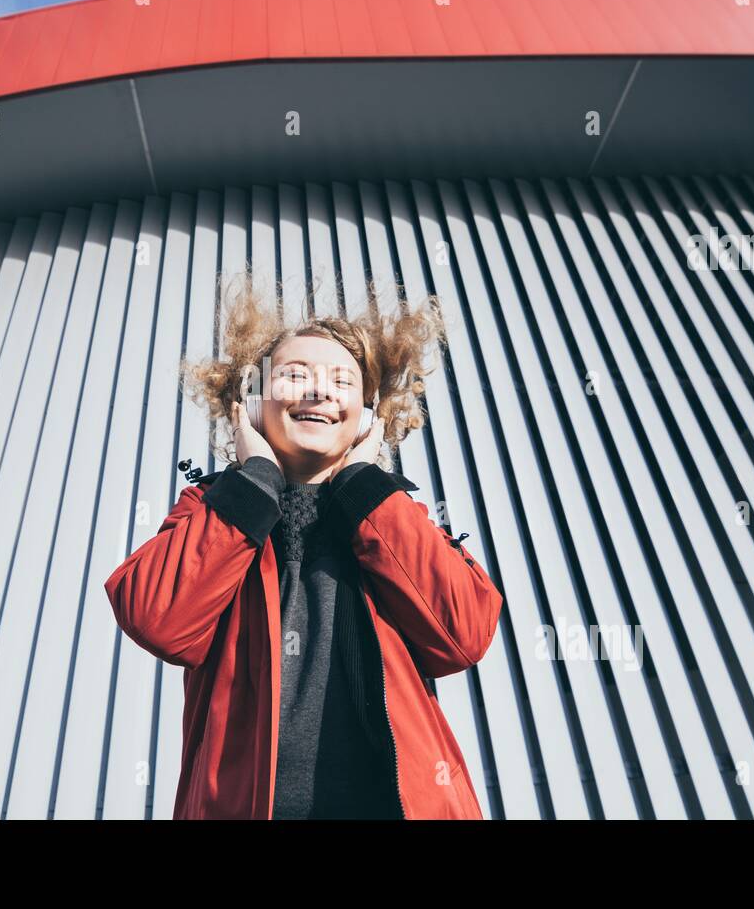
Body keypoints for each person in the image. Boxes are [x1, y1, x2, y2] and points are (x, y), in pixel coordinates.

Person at [104, 276, 504, 819]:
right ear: (251, 400)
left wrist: (364, 484)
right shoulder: (212, 508)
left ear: (366, 413)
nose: (319, 391)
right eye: (295, 375)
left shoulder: (396, 516)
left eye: (343, 381)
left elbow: (463, 636)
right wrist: (253, 481)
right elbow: (157, 619)